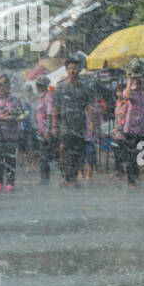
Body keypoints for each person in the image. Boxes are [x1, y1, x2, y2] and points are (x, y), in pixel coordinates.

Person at [51, 53, 95, 186]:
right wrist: (54, 125)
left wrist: (92, 123)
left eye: (75, 68)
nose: (73, 71)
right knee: (64, 150)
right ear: (66, 70)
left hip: (79, 124)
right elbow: (55, 109)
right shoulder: (60, 88)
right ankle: (65, 177)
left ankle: (74, 177)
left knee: (77, 152)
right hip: (65, 124)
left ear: (79, 70)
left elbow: (89, 107)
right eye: (70, 68)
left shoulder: (84, 87)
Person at [120, 61, 144, 189]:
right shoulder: (131, 90)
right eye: (136, 78)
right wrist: (129, 80)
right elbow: (126, 95)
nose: (138, 81)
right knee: (131, 157)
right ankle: (132, 181)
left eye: (140, 78)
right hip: (132, 128)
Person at [34, 78, 55, 183]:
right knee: (42, 155)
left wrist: (48, 130)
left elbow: (50, 114)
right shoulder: (41, 98)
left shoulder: (48, 96)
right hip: (40, 131)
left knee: (45, 155)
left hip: (46, 131)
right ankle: (43, 178)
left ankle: (45, 179)